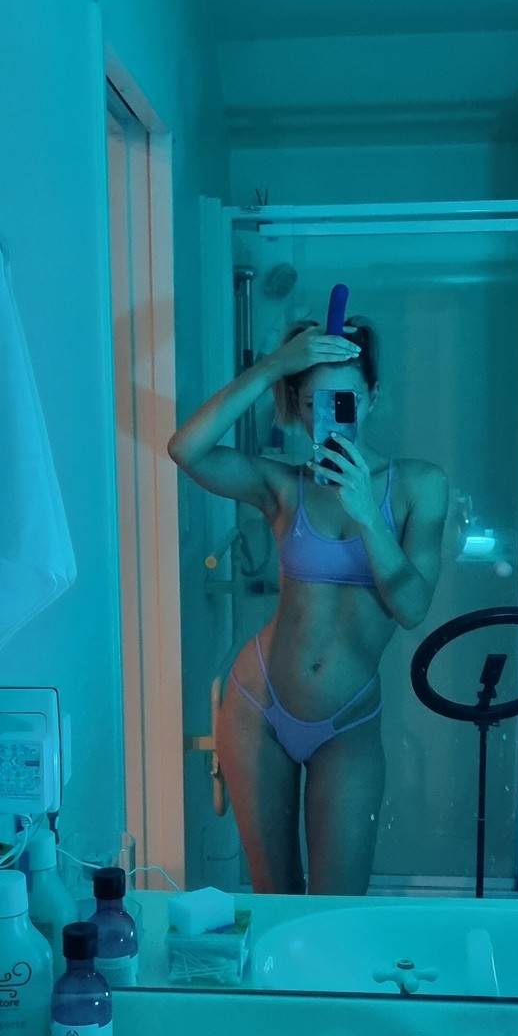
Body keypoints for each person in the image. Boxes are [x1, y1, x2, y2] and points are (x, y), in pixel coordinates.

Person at [168, 316, 449, 893]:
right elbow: (185, 449)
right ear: (296, 408)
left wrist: (368, 514)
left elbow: (413, 607)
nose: (332, 416)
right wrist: (274, 366)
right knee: (274, 901)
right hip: (257, 706)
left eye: (346, 400)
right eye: (315, 403)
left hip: (347, 722)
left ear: (373, 397)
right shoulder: (283, 486)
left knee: (336, 912)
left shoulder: (419, 485)